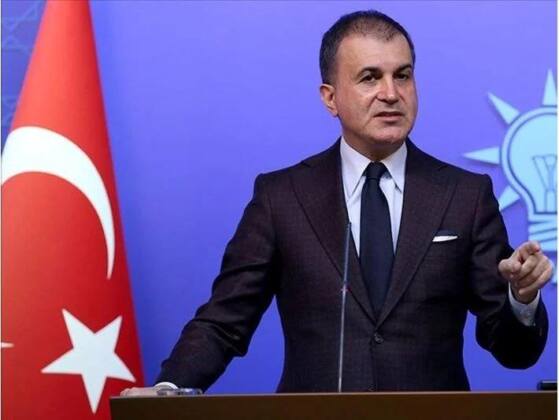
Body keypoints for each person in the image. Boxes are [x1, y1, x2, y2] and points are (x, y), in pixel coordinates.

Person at [123, 10, 551, 395]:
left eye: (402, 75)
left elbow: (514, 352)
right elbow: (224, 321)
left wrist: (521, 298)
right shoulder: (282, 197)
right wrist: (167, 389)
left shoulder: (464, 195)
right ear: (330, 97)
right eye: (370, 78)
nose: (391, 93)